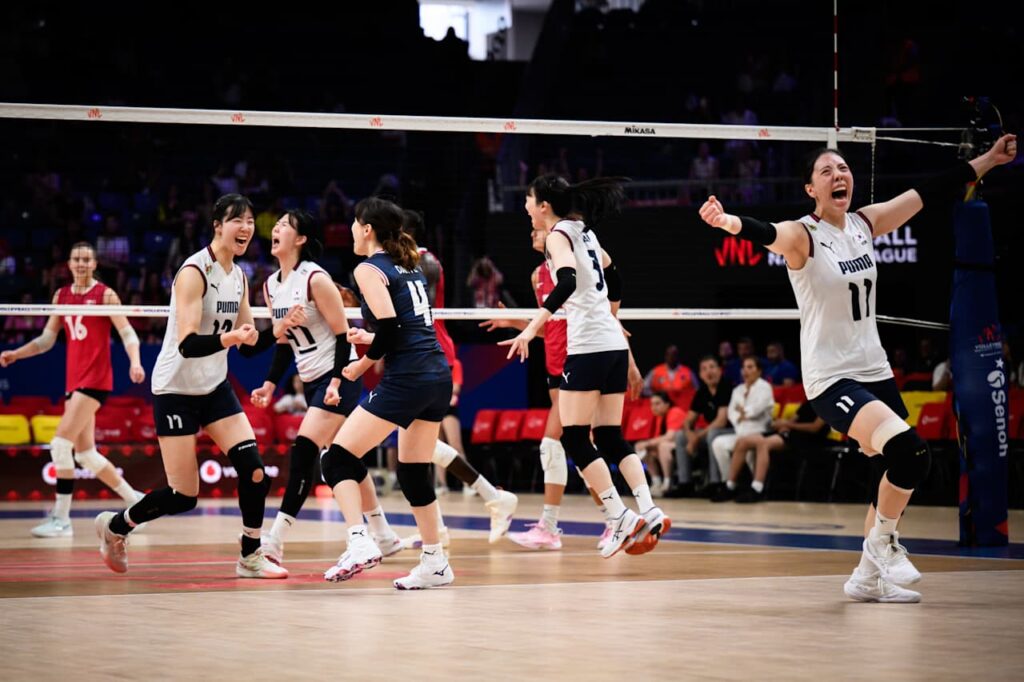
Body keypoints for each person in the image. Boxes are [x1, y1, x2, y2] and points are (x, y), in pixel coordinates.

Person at [699, 132, 1017, 602]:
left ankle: (867, 577)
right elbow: (767, 232)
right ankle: (883, 545)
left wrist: (988, 160)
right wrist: (727, 221)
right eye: (826, 171)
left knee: (885, 472)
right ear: (811, 189)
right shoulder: (804, 235)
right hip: (832, 378)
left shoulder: (865, 224)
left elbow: (927, 191)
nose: (838, 175)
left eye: (843, 168)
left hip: (875, 369)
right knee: (912, 454)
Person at [93, 193, 287, 579]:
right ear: (217, 226)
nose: (246, 228)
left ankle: (250, 556)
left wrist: (278, 331)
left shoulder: (239, 277)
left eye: (250, 221)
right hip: (176, 390)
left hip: (214, 388)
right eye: (237, 220)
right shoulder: (194, 272)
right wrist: (232, 338)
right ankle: (116, 526)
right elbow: (188, 343)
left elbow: (248, 345)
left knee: (255, 472)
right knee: (183, 496)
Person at [502, 174, 669, 558]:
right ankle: (648, 509)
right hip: (612, 345)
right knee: (609, 436)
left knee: (575, 437)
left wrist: (530, 328)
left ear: (544, 205)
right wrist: (611, 315)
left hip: (589, 347)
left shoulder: (558, 235)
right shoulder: (585, 232)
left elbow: (565, 281)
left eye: (528, 199)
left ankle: (620, 518)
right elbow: (615, 275)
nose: (525, 207)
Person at [249, 209, 404, 567]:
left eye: (285, 225)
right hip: (311, 381)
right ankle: (384, 535)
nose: (277, 229)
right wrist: (270, 384)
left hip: (339, 377)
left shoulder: (315, 279)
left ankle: (275, 541)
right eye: (278, 224)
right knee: (344, 456)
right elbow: (284, 343)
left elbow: (341, 336)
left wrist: (335, 382)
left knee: (304, 451)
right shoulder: (271, 286)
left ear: (301, 239)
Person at [319, 197, 456, 590]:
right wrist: (370, 338)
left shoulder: (368, 268)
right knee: (412, 472)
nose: (350, 229)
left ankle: (359, 540)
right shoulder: (409, 264)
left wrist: (360, 366)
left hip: (408, 377)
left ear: (367, 229)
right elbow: (404, 326)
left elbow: (393, 328)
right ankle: (435, 562)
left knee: (337, 459)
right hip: (436, 374)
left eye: (354, 222)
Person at [481, 220, 636, 551]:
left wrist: (631, 362)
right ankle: (612, 520)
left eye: (539, 228)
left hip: (580, 359)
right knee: (578, 447)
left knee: (558, 443)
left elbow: (607, 316)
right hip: (554, 365)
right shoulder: (538, 275)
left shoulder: (575, 265)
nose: (534, 232)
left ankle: (567, 525)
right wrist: (516, 323)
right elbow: (547, 326)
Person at [1, 242, 147, 537]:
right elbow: (46, 340)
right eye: (76, 259)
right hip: (74, 382)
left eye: (86, 260)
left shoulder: (105, 294)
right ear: (68, 264)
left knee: (59, 444)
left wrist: (135, 361)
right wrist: (17, 354)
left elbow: (128, 332)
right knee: (86, 455)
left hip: (95, 381)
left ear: (94, 264)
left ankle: (61, 519)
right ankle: (136, 502)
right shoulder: (62, 295)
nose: (81, 264)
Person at [401, 209, 518, 545]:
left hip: (430, 352)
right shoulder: (400, 264)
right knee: (419, 446)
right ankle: (487, 500)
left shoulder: (424, 262)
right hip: (414, 354)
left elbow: (415, 314)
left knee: (415, 448)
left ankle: (473, 508)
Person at [719, 400, 829, 504]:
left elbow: (815, 427)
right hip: (792, 433)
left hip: (810, 438)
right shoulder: (809, 401)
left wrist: (789, 425)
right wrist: (782, 425)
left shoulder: (827, 402)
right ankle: (730, 485)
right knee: (743, 442)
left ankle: (757, 488)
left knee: (764, 443)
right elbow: (793, 420)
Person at [709, 356, 775, 502]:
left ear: (759, 371)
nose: (746, 371)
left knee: (751, 451)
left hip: (759, 432)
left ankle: (756, 487)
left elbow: (757, 409)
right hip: (740, 431)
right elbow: (731, 413)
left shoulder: (765, 387)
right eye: (744, 367)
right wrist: (741, 415)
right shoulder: (738, 390)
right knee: (718, 443)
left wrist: (744, 412)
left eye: (750, 367)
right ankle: (728, 483)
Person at [673, 354, 733, 496]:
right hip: (712, 433)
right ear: (700, 374)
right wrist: (690, 435)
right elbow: (688, 421)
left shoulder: (727, 387)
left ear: (720, 370)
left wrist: (697, 437)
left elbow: (721, 421)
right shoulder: (702, 392)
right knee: (680, 436)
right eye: (704, 369)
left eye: (712, 367)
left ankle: (715, 483)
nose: (708, 371)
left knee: (712, 434)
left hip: (731, 431)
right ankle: (685, 483)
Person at [634, 392, 687, 497]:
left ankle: (668, 483)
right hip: (671, 446)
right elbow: (658, 439)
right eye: (652, 404)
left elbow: (670, 437)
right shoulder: (660, 417)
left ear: (667, 404)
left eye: (657, 403)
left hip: (684, 446)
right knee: (646, 450)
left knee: (663, 446)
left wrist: (647, 443)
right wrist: (645, 445)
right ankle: (656, 482)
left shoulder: (675, 412)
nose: (654, 407)